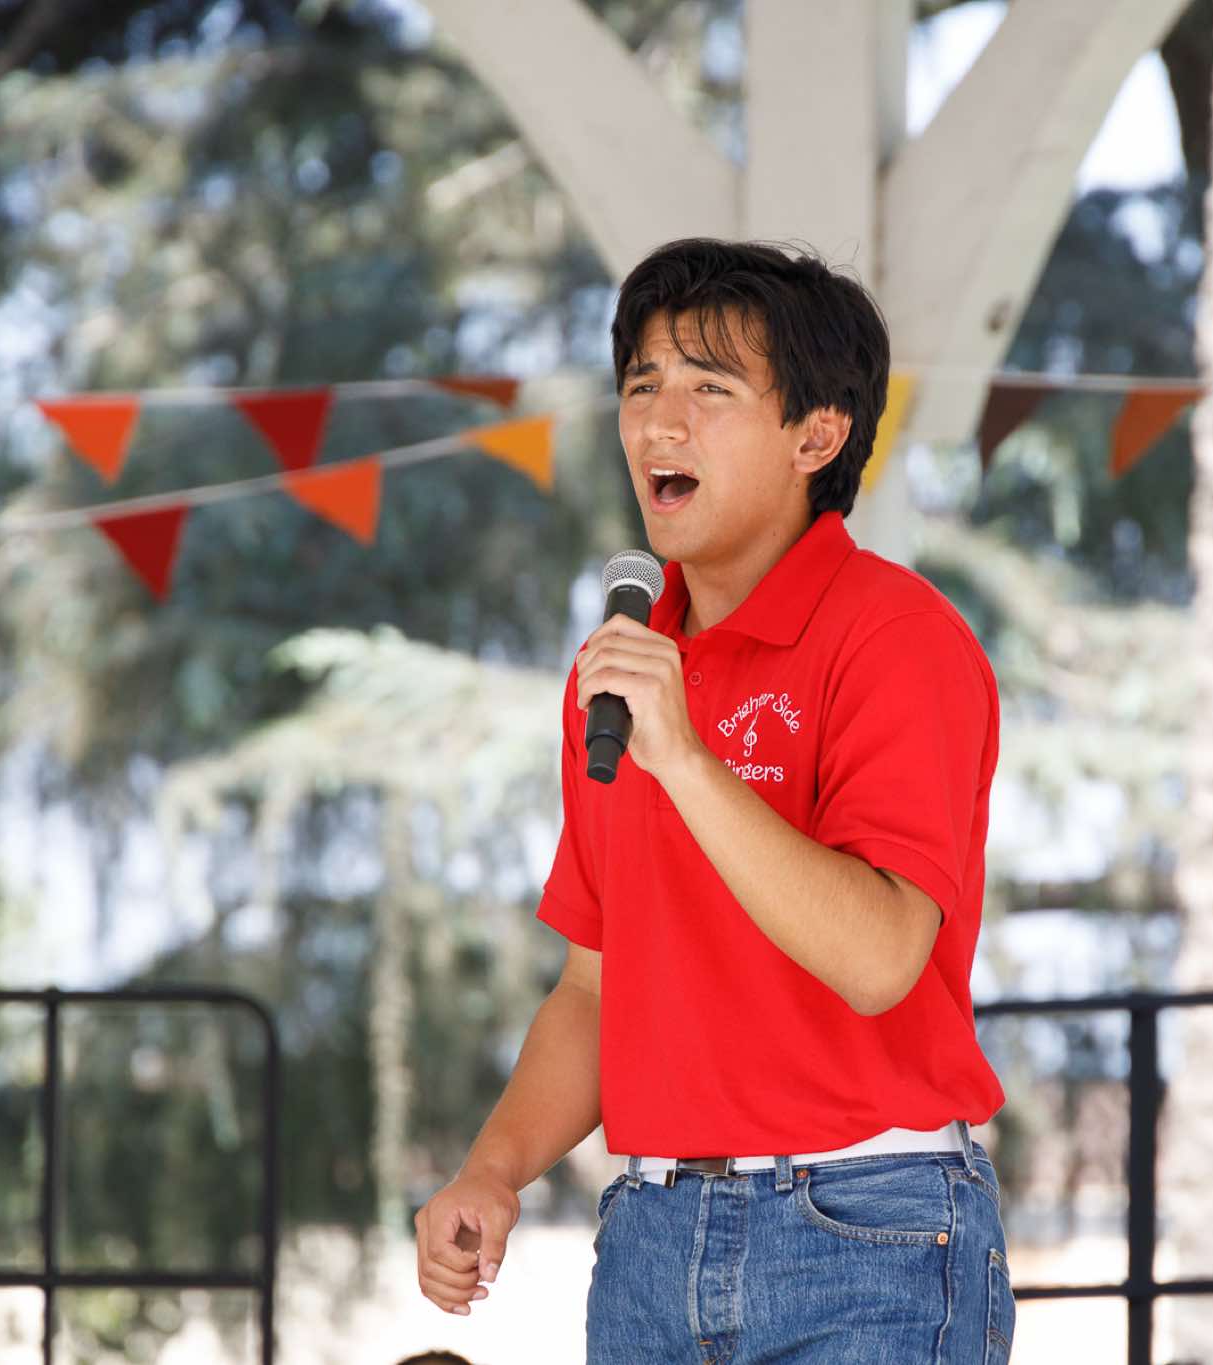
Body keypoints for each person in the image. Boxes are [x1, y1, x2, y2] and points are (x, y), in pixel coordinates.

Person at [413, 238, 1011, 1362]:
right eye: (641, 385)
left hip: (866, 1230)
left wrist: (686, 760)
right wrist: (493, 1169)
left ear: (816, 435)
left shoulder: (897, 638)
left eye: (708, 388)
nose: (660, 423)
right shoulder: (620, 670)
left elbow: (881, 956)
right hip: (649, 1239)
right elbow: (591, 987)